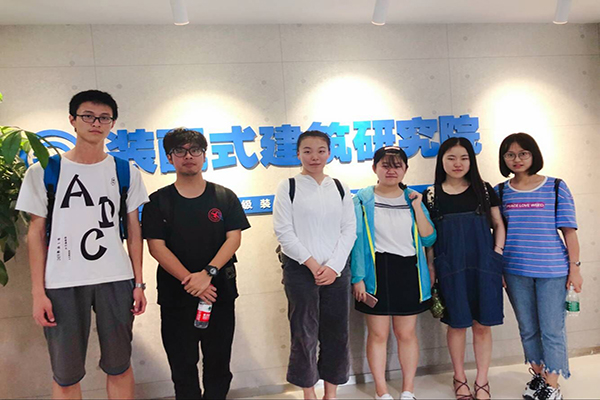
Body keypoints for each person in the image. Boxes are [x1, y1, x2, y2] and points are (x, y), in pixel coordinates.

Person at [16, 90, 149, 399]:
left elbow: (134, 229)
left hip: (116, 278)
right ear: (72, 120)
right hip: (62, 282)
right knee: (65, 374)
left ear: (112, 124)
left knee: (120, 365)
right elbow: (35, 233)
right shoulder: (44, 171)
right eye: (88, 116)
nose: (96, 123)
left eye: (104, 118)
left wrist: (139, 283)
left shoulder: (125, 171)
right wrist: (38, 292)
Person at [142, 127, 250, 400]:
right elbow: (156, 247)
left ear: (204, 155)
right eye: (180, 151)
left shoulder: (224, 197)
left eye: (195, 150)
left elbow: (233, 239)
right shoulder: (158, 201)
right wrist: (191, 281)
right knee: (182, 366)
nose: (188, 156)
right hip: (176, 297)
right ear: (169, 158)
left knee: (218, 364)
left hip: (219, 294)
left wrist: (207, 274)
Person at [495, 133, 582, 400]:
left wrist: (575, 269)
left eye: (523, 153)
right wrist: (498, 269)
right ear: (503, 159)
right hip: (514, 270)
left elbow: (569, 232)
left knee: (552, 330)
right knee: (528, 328)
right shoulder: (500, 191)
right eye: (510, 154)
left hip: (552, 272)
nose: (517, 159)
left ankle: (552, 385)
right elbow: (497, 233)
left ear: (533, 155)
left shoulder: (555, 186)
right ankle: (538, 376)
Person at [272, 130, 356, 400]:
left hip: (336, 271)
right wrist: (311, 264)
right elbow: (283, 231)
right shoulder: (288, 186)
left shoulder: (340, 187)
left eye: (321, 151)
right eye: (307, 151)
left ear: (329, 153)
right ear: (298, 154)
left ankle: (330, 394)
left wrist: (333, 267)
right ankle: (309, 393)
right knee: (303, 333)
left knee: (337, 333)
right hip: (300, 270)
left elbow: (349, 230)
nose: (314, 157)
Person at [422, 138, 505, 400]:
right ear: (441, 161)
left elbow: (498, 224)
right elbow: (428, 238)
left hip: (484, 266)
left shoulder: (484, 189)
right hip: (450, 267)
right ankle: (459, 378)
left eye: (464, 158)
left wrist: (497, 254)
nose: (457, 163)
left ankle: (482, 380)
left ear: (471, 160)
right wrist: (431, 267)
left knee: (482, 325)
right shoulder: (431, 195)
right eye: (451, 158)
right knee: (457, 325)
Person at [351, 146, 436, 400]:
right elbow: (356, 243)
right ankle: (381, 390)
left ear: (405, 169)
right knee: (378, 334)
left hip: (409, 271)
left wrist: (417, 207)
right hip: (376, 272)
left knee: (406, 334)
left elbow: (429, 238)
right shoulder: (361, 200)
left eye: (397, 165)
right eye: (385, 165)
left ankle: (408, 389)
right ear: (374, 168)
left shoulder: (413, 198)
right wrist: (358, 278)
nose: (391, 170)